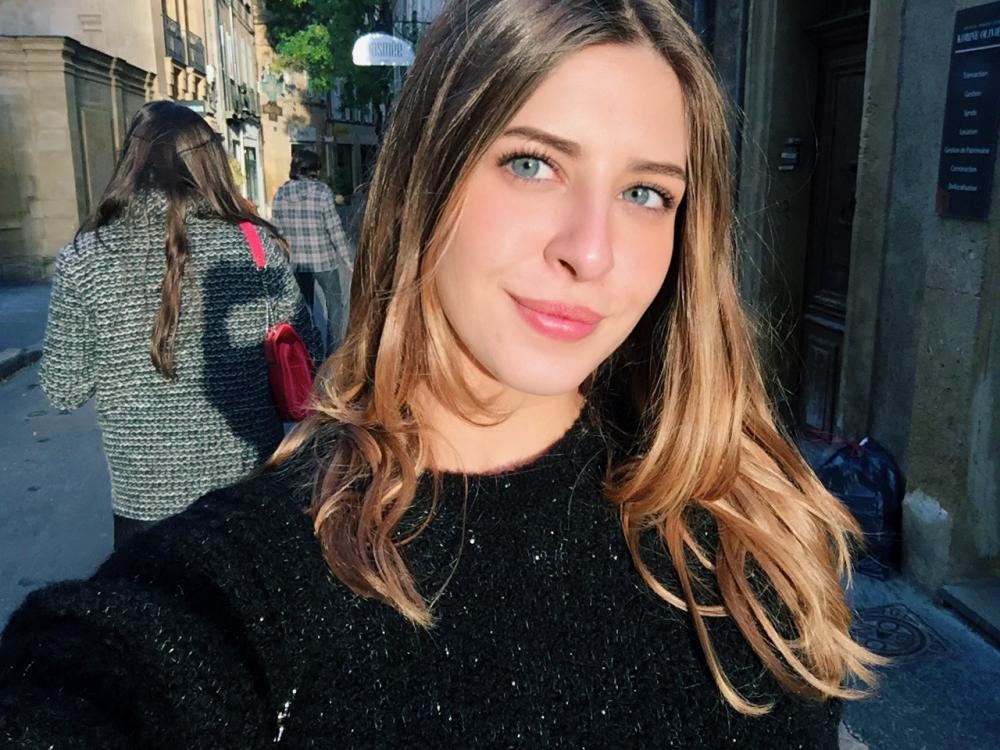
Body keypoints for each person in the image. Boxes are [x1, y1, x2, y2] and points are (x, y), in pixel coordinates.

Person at [0, 1, 882, 746]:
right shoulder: (254, 578)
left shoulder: (750, 528)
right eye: (532, 164)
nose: (592, 251)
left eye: (645, 193)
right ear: (427, 179)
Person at [36, 101, 319, 549]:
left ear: (131, 164)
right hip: (245, 484)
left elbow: (63, 390)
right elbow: (311, 353)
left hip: (145, 499)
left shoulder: (85, 259)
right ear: (210, 164)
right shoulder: (255, 247)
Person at [271, 148, 354, 354]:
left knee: (302, 310)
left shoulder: (280, 194)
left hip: (297, 263)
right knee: (335, 306)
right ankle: (333, 352)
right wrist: (349, 261)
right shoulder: (322, 192)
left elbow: (277, 235)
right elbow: (335, 230)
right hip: (324, 261)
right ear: (314, 169)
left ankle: (307, 353)